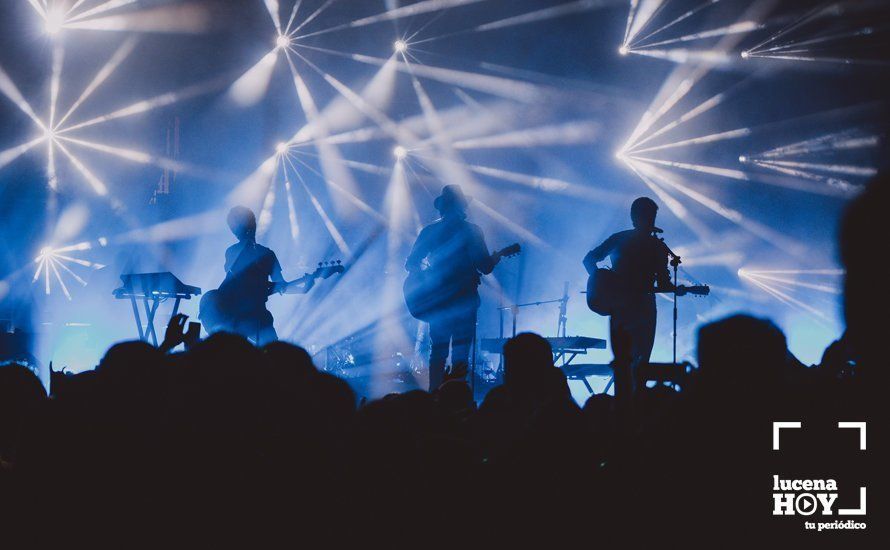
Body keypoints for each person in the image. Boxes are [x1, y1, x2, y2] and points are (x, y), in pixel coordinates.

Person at [583, 197, 679, 403]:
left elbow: (589, 259)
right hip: (636, 310)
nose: (649, 219)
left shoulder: (651, 245)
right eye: (647, 215)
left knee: (630, 363)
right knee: (634, 363)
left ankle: (629, 407)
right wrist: (602, 281)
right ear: (637, 217)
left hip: (631, 309)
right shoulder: (643, 244)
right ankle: (632, 409)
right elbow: (589, 259)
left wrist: (603, 282)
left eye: (651, 216)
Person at [406, 185, 499, 391]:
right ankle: (456, 397)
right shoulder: (472, 231)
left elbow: (411, 264)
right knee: (461, 349)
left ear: (442, 208)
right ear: (462, 206)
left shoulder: (430, 231)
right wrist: (496, 257)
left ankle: (434, 396)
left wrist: (426, 280)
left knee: (437, 350)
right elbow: (484, 266)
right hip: (465, 299)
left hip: (438, 300)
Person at [213, 206, 311, 345]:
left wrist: (304, 288)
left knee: (272, 353)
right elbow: (234, 280)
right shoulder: (232, 251)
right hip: (236, 316)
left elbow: (281, 285)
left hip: (257, 315)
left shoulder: (267, 254)